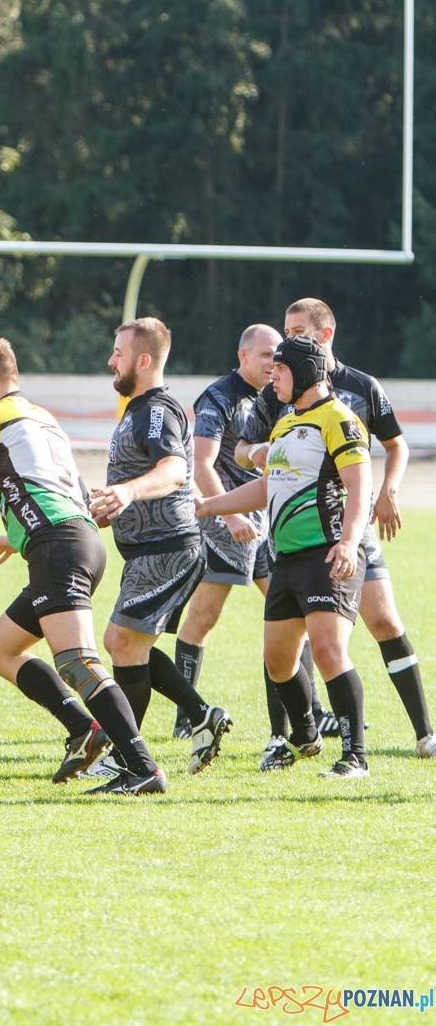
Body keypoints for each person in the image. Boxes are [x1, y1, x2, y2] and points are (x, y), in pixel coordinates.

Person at [0, 337, 167, 795]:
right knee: (1, 648)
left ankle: (142, 767)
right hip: (75, 539)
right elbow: (60, 489)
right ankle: (83, 728)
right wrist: (17, 535)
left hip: (58, 545)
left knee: (78, 661)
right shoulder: (42, 418)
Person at [237, 298, 434, 759]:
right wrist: (258, 454)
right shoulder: (279, 388)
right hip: (300, 534)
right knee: (290, 639)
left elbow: (396, 445)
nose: (286, 341)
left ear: (325, 335)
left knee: (384, 622)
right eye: (286, 331)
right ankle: (291, 734)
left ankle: (424, 733)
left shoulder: (361, 387)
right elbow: (242, 446)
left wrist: (389, 491)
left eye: (298, 331)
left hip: (354, 529)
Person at [199, 334, 373, 776]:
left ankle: (355, 757)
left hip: (327, 553)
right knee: (278, 661)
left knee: (330, 650)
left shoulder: (340, 419)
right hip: (287, 559)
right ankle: (306, 735)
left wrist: (349, 543)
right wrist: (210, 505)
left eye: (280, 369)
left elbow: (359, 486)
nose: (272, 376)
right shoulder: (284, 423)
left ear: (306, 373)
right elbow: (267, 487)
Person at [88, 318, 230, 777]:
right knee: (121, 642)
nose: (111, 360)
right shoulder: (138, 408)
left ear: (143, 360)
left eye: (118, 353)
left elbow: (173, 470)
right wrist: (114, 505)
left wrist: (128, 492)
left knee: (125, 644)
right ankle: (202, 715)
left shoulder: (156, 410)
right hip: (149, 550)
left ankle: (126, 760)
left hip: (166, 550)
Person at [177, 325, 313, 748]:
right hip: (227, 528)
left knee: (295, 618)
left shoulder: (277, 397)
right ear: (243, 355)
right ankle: (188, 715)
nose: (273, 363)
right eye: (266, 354)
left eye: (278, 356)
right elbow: (201, 464)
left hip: (265, 528)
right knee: (203, 617)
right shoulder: (219, 396)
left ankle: (311, 714)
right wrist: (231, 516)